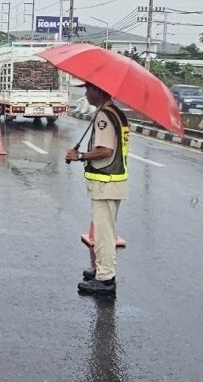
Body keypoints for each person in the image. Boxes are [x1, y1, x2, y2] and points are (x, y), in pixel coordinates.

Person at [65, 82, 129, 298]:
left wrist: (80, 156)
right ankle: (101, 272)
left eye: (89, 89)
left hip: (106, 182)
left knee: (104, 234)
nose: (86, 94)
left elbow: (106, 150)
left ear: (99, 91)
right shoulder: (115, 113)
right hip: (112, 182)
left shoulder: (105, 116)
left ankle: (105, 279)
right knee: (104, 231)